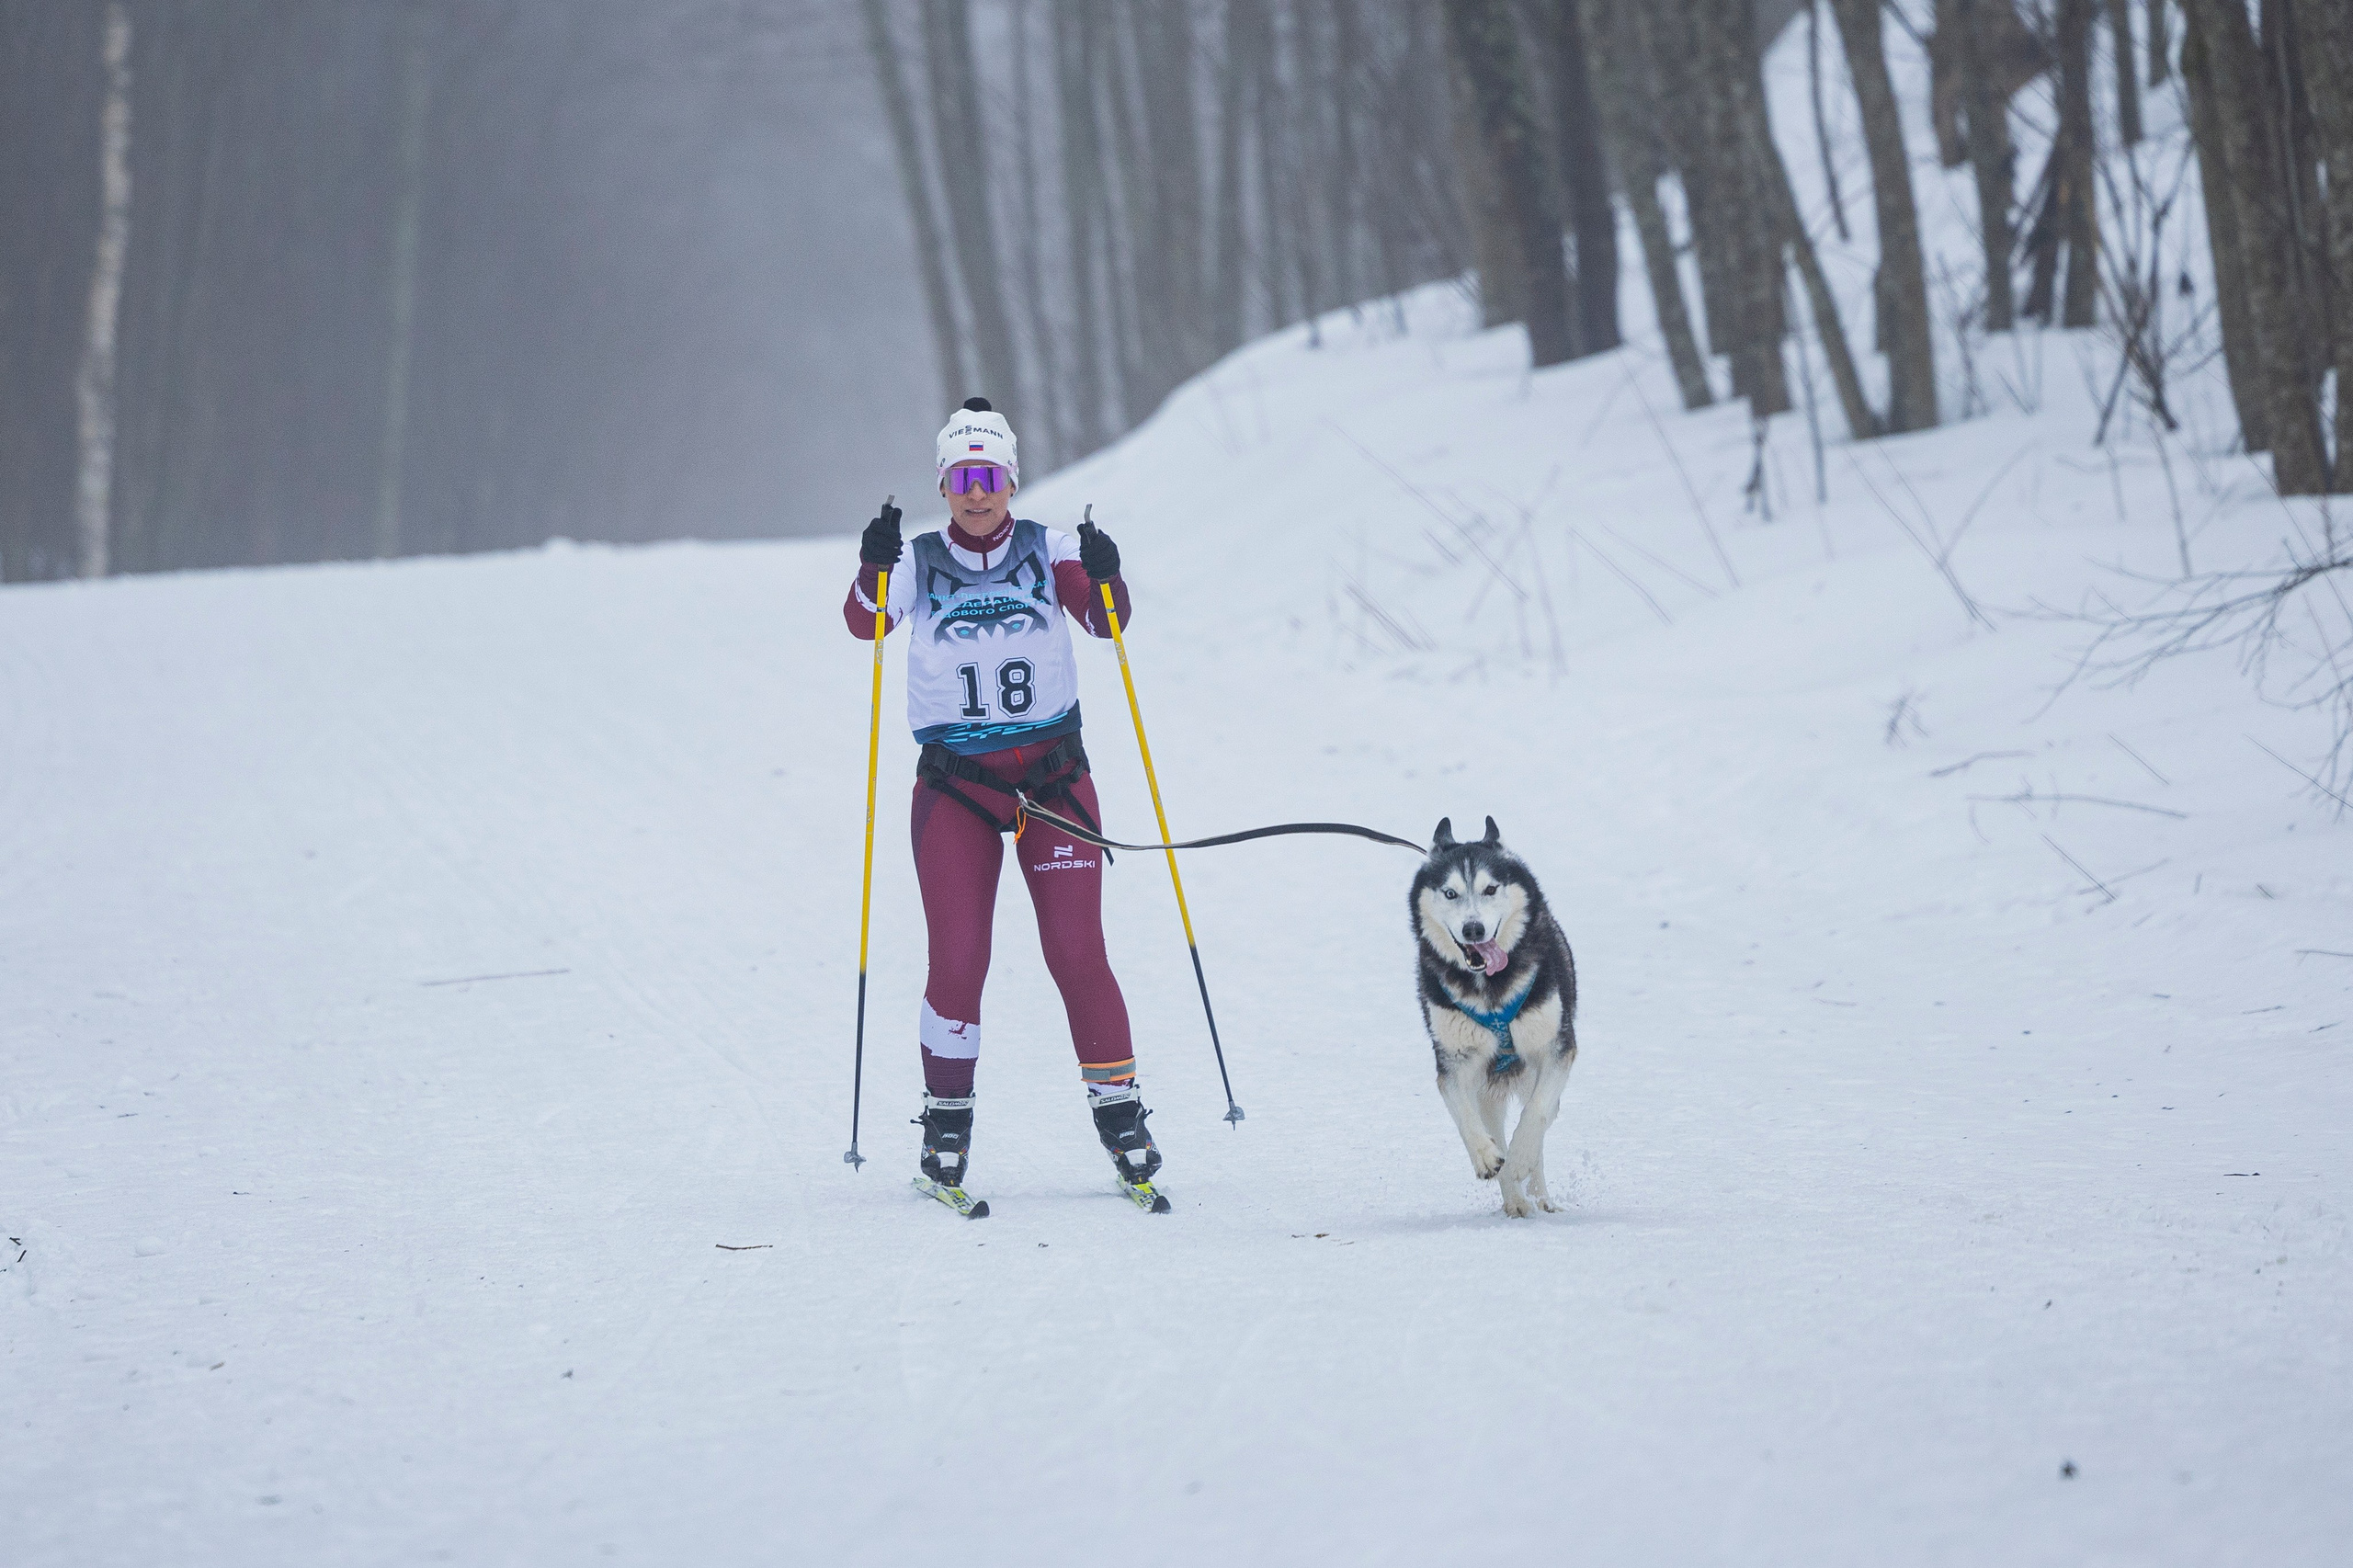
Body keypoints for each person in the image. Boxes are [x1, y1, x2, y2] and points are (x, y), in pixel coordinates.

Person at [846, 396, 1160, 1197]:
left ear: (1011, 480)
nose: (975, 493)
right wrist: (872, 565)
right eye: (960, 478)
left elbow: (1108, 622)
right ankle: (945, 1128)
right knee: (957, 960)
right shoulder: (917, 558)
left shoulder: (1045, 546)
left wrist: (1106, 570)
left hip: (1053, 781)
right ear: (944, 485)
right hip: (958, 790)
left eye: (989, 476)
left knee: (1077, 954)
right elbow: (864, 622)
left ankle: (1121, 1116)